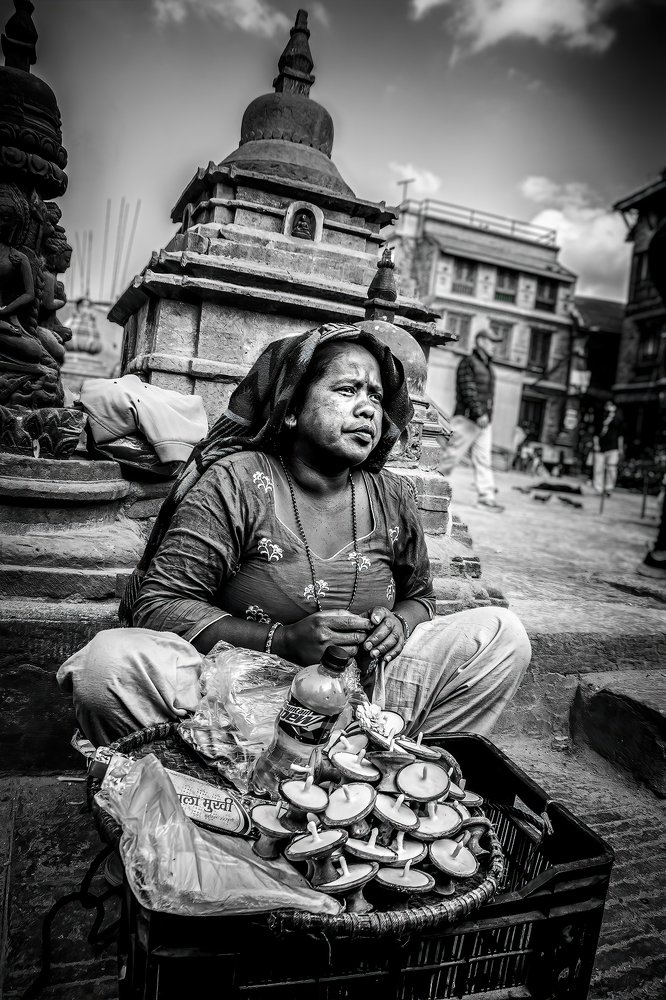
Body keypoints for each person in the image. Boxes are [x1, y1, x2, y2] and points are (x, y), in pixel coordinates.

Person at [57, 323, 531, 746]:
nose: (367, 408)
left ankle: (384, 764)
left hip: (367, 697)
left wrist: (399, 625)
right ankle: (282, 763)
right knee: (107, 667)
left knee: (500, 635)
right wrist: (280, 641)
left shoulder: (391, 495)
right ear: (291, 409)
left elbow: (420, 597)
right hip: (241, 696)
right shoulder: (237, 482)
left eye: (376, 397)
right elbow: (160, 606)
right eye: (347, 390)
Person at [437, 329, 505, 512]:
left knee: (484, 460)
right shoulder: (468, 362)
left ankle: (486, 498)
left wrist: (485, 416)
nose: (495, 347)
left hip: (484, 422)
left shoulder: (487, 366)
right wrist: (478, 413)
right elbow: (468, 390)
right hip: (468, 418)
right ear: (481, 341)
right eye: (492, 342)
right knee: (451, 457)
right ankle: (430, 487)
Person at [592, 400, 624, 497]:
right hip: (601, 447)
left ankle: (609, 488)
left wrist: (620, 448)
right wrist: (596, 445)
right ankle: (599, 489)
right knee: (598, 469)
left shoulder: (618, 418)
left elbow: (620, 435)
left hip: (613, 447)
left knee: (611, 469)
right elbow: (595, 432)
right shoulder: (601, 416)